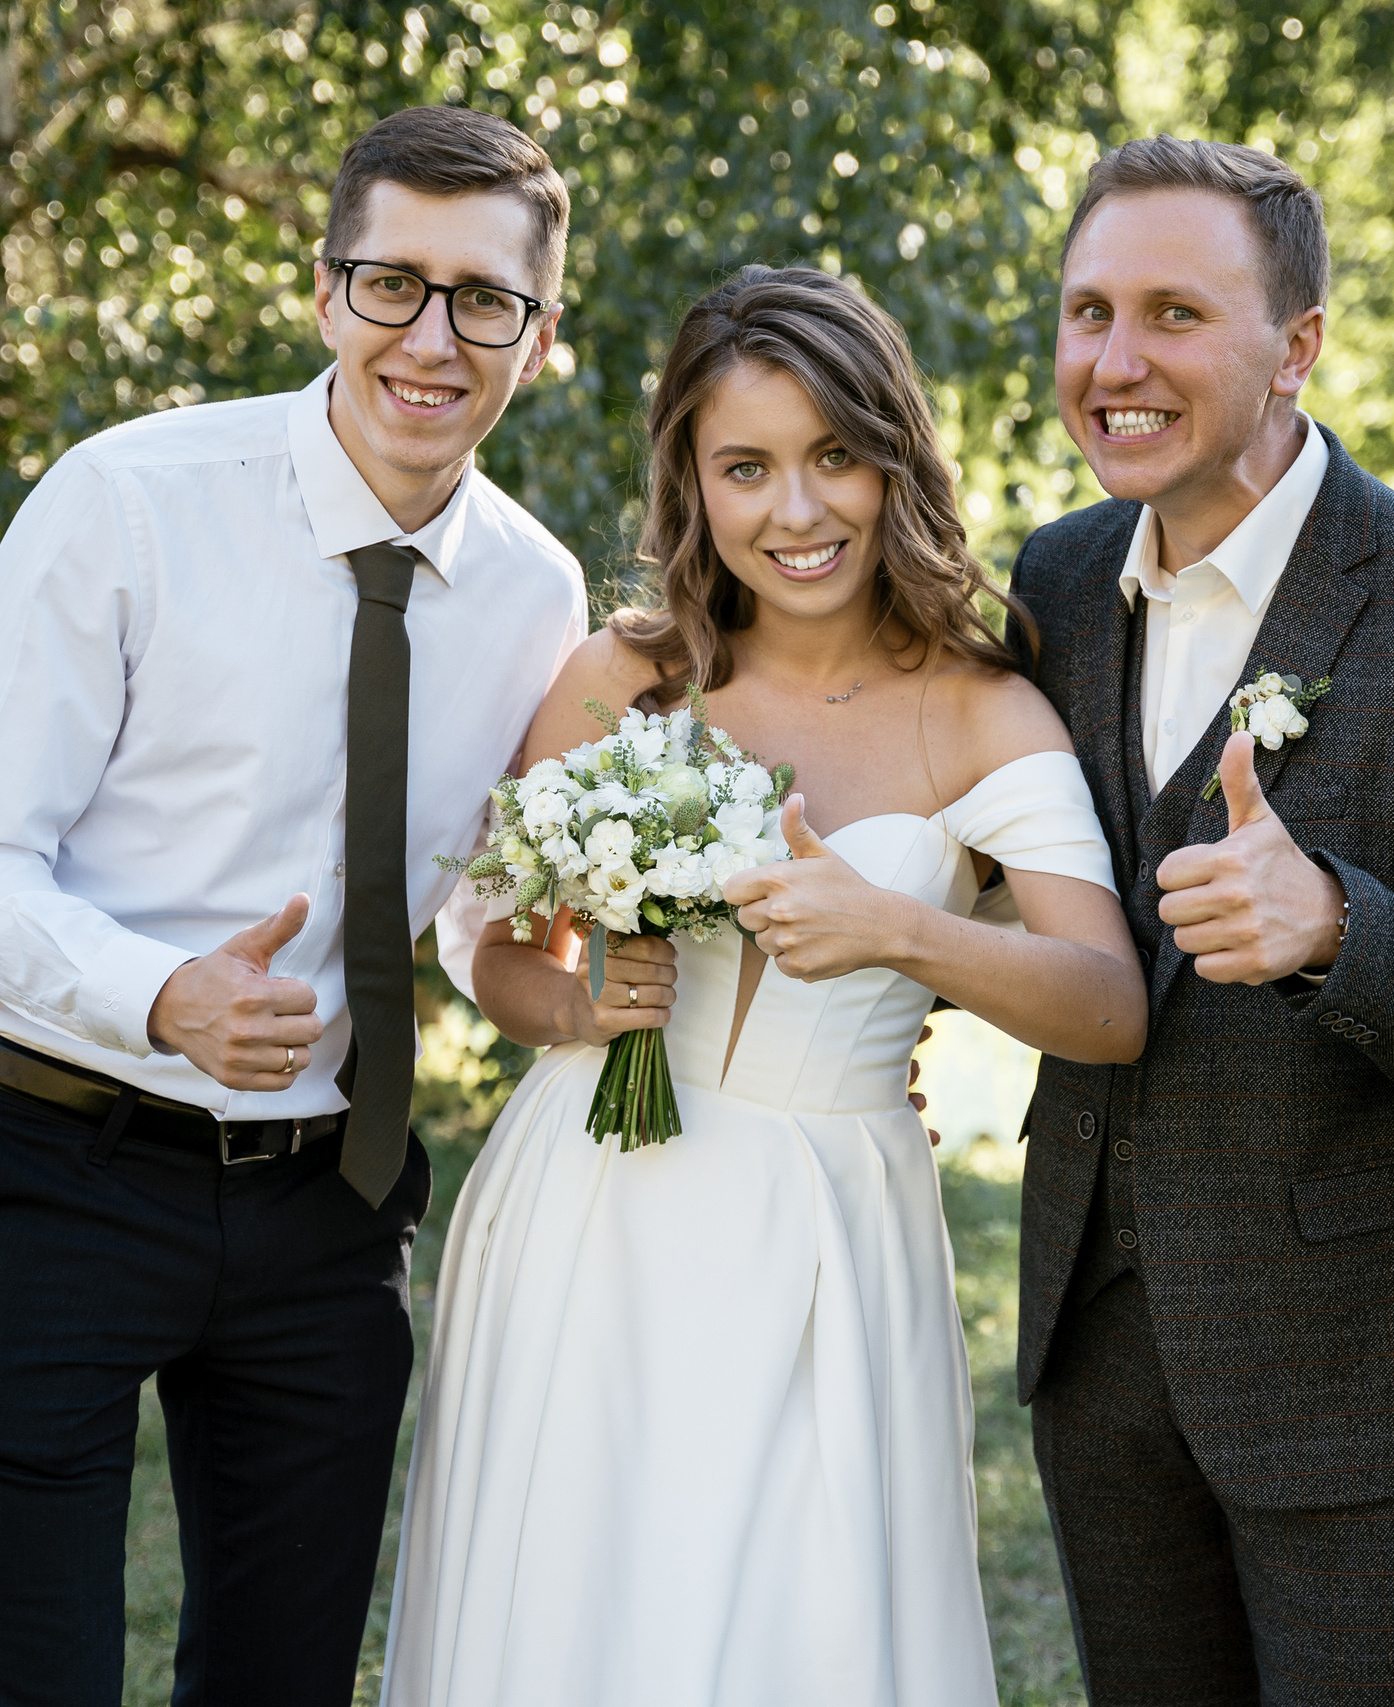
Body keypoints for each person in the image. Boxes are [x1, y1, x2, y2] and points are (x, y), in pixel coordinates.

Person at [379, 265, 1148, 1707]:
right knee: (573, 1618)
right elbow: (484, 937)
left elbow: (1108, 1004)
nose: (796, 513)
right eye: (747, 468)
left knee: (793, 1628)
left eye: (833, 458)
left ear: (894, 461)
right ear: (693, 481)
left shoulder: (985, 711)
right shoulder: (621, 674)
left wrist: (904, 933)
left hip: (825, 1224)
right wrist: (575, 1006)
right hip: (587, 1200)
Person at [0, 107, 585, 1706]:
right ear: (325, 292)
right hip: (50, 1160)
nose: (432, 338)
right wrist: (162, 997)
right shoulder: (127, 500)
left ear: (541, 337)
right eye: (392, 283)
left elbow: (497, 906)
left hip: (328, 1208)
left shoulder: (539, 597)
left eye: (485, 299)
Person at [1005, 137, 1394, 1704]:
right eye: (1087, 313)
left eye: (1175, 316)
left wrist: (1340, 929)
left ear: (1298, 347)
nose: (1115, 363)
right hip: (1099, 1349)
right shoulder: (1053, 584)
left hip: (1356, 1371)